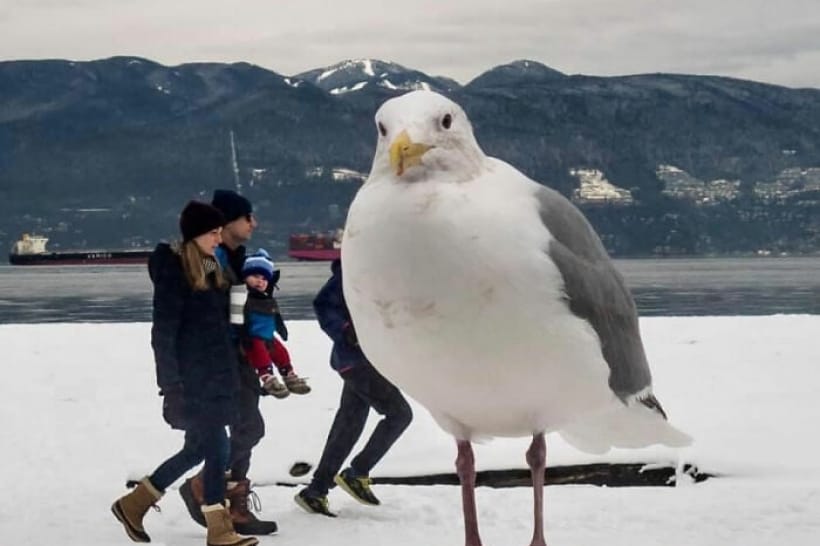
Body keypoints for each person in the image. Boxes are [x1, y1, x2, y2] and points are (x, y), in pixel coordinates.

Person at [111, 200, 258, 546]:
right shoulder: (174, 273)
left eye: (220, 232)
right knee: (218, 447)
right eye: (213, 233)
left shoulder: (210, 269)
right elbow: (163, 334)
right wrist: (171, 387)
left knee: (196, 450)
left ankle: (134, 504)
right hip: (193, 381)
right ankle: (219, 528)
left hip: (216, 376)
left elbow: (220, 327)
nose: (218, 240)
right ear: (195, 235)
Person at [178, 190, 278, 536]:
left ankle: (234, 505)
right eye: (248, 216)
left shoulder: (240, 260)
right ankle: (204, 485)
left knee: (244, 428)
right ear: (228, 221)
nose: (254, 223)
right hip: (223, 360)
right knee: (247, 428)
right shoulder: (210, 259)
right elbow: (205, 307)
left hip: (244, 355)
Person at [295, 258, 413, 517]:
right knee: (399, 414)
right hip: (358, 360)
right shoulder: (353, 269)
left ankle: (315, 491)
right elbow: (323, 304)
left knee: (348, 425)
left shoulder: (387, 272)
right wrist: (348, 331)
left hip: (367, 361)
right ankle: (357, 472)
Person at [241, 248, 311, 398]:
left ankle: (289, 374)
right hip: (253, 336)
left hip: (268, 336)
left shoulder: (268, 298)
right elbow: (241, 319)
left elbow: (275, 315)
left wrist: (281, 328)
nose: (260, 281)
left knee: (281, 353)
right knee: (260, 355)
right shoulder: (243, 296)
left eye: (264, 278)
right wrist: (242, 334)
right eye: (255, 276)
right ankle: (267, 377)